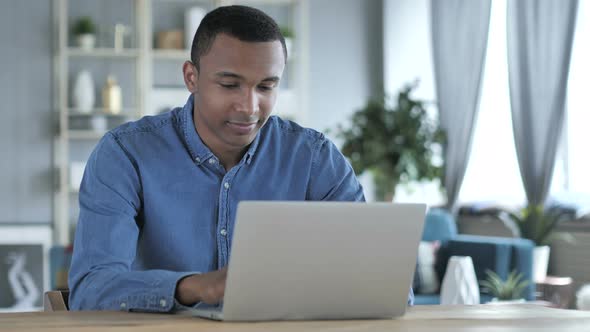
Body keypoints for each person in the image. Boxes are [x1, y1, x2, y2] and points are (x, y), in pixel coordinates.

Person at [68, 5, 411, 312]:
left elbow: (386, 286)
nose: (249, 107)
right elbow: (92, 288)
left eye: (265, 87)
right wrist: (199, 287)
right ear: (192, 77)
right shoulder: (124, 154)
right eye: (230, 85)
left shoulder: (314, 158)